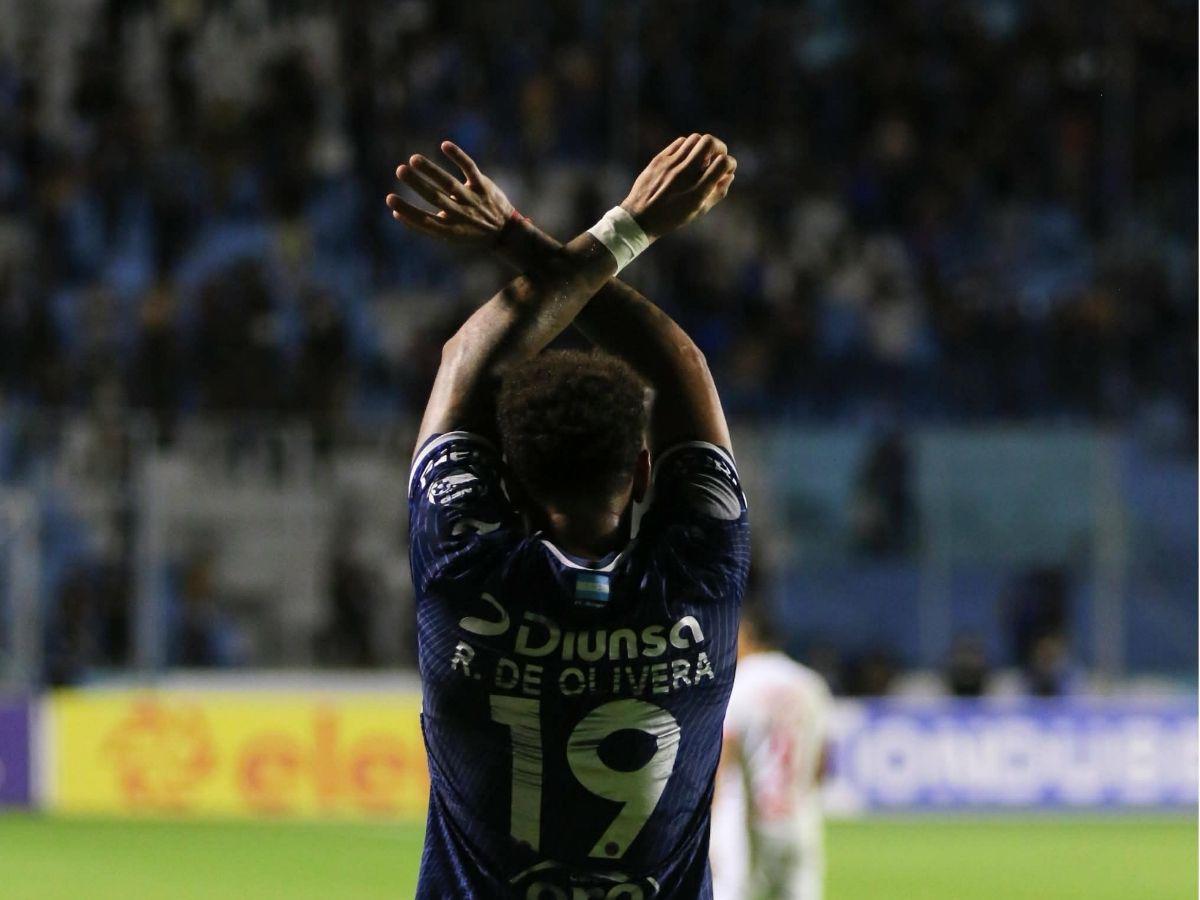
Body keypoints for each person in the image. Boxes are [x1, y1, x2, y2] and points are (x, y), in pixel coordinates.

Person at [388, 134, 748, 898]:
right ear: (647, 470)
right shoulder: (700, 583)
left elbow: (465, 364)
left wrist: (610, 231)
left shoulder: (463, 574)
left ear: (507, 484)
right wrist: (545, 237)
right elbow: (682, 367)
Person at [711, 602, 833, 900]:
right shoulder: (811, 683)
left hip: (744, 826)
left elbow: (721, 762)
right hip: (800, 822)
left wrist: (710, 826)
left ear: (746, 635)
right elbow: (822, 764)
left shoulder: (737, 685)